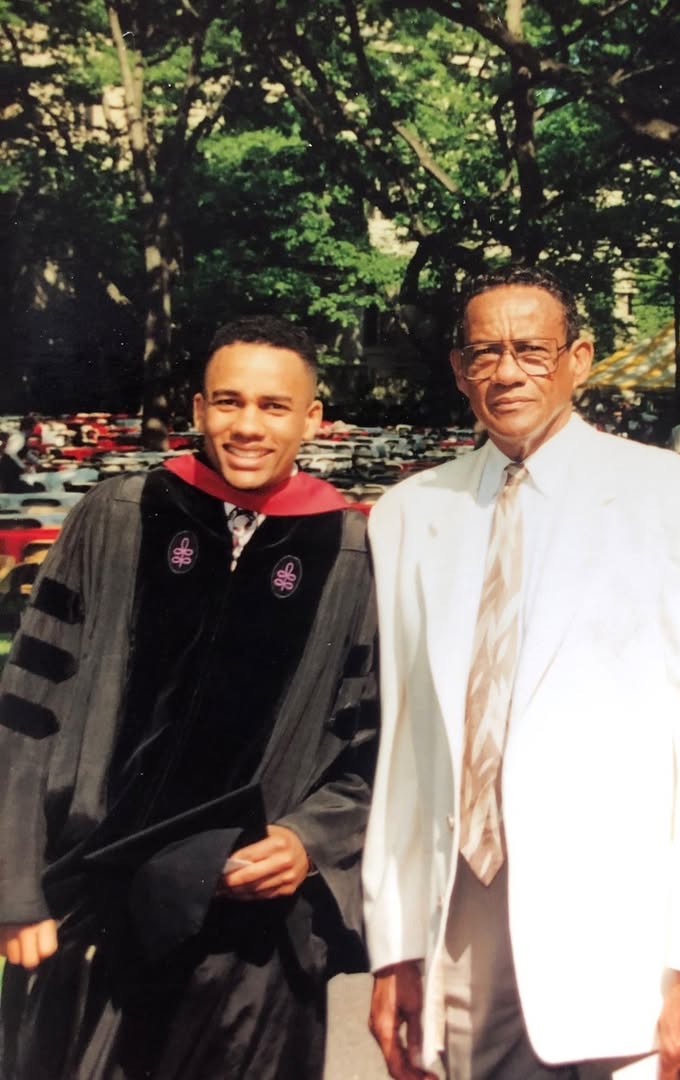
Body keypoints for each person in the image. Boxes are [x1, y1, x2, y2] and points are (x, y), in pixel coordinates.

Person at [363, 267, 680, 1080]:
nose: (507, 372)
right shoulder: (410, 513)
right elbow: (403, 748)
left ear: (579, 359)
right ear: (459, 370)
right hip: (463, 919)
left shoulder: (675, 498)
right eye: (485, 353)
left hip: (626, 934)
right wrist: (397, 945)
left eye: (532, 350)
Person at [0, 315, 379, 1079]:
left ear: (313, 419)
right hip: (90, 910)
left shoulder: (350, 552)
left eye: (274, 406)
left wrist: (308, 840)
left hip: (254, 941)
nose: (248, 425)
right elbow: (27, 708)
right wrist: (15, 888)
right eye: (228, 401)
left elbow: (371, 743)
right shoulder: (117, 517)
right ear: (199, 409)